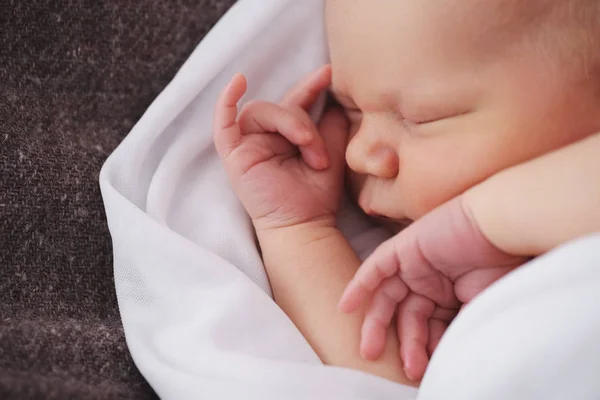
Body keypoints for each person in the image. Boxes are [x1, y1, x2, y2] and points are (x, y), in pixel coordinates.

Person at [212, 0, 600, 385]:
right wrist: (298, 229)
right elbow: (383, 384)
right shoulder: (461, 300)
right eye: (350, 112)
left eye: (421, 116)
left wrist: (481, 220)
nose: (357, 153)